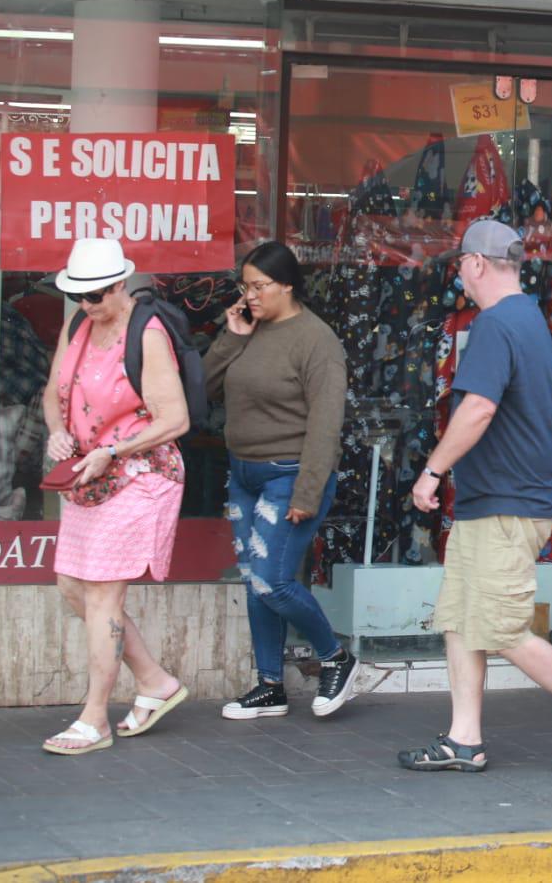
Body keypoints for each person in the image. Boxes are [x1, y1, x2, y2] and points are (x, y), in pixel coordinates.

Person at [400, 219, 552, 774]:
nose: (458, 274)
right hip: (498, 501)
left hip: (506, 504)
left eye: (460, 264)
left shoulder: (497, 326)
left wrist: (432, 471)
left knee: (499, 627)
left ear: (477, 264)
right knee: (461, 618)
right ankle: (463, 739)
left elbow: (477, 409)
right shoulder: (528, 319)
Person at [40, 238, 190, 754]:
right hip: (88, 474)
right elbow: (54, 391)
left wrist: (114, 450)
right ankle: (154, 680)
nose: (88, 305)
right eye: (79, 296)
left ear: (120, 285)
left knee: (103, 592)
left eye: (97, 295)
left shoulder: (146, 333)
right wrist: (56, 429)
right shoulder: (79, 323)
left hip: (139, 473)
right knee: (71, 585)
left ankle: (94, 718)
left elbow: (176, 420)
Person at [203, 241, 355, 721]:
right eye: (244, 286)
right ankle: (270, 685)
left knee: (272, 580)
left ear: (287, 285)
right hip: (244, 473)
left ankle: (336, 657)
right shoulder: (248, 329)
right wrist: (232, 336)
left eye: (258, 286)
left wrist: (308, 493)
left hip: (290, 475)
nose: (249, 295)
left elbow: (326, 424)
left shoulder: (317, 341)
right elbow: (200, 388)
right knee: (255, 581)